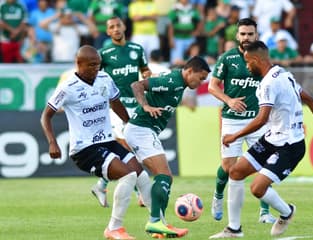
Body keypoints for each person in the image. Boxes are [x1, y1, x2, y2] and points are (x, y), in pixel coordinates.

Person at [210, 40, 313, 238]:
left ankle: (287, 212)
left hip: (290, 146)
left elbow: (261, 119)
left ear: (256, 60)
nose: (246, 66)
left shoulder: (268, 83)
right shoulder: (284, 73)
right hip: (271, 139)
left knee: (257, 188)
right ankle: (234, 229)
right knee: (235, 172)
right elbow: (309, 98)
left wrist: (234, 136)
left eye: (247, 62)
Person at [40, 45, 152, 240]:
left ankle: (157, 222)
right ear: (79, 64)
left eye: (98, 65)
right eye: (91, 65)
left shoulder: (104, 78)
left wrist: (129, 123)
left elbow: (115, 103)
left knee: (141, 174)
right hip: (84, 149)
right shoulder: (68, 87)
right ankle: (114, 229)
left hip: (107, 140)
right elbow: (45, 116)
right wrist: (52, 142)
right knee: (128, 176)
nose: (95, 69)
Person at [123, 56, 211, 238]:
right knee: (164, 176)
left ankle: (159, 224)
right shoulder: (172, 81)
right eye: (200, 78)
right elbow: (137, 85)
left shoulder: (179, 84)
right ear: (189, 71)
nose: (201, 82)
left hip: (146, 131)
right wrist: (145, 106)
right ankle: (155, 221)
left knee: (163, 177)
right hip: (141, 129)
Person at [208, 18, 275, 225]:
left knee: (263, 166)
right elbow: (212, 86)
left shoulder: (262, 58)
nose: (246, 38)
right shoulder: (227, 58)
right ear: (237, 36)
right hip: (232, 120)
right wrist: (229, 100)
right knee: (229, 168)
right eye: (243, 34)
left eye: (250, 34)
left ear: (257, 35)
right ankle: (218, 194)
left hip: (257, 121)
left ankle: (264, 212)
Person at [90, 16, 152, 208]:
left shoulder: (137, 49)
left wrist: (149, 78)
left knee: (129, 149)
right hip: (116, 108)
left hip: (136, 106)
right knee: (128, 147)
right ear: (107, 32)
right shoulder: (104, 53)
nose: (116, 29)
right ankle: (141, 193)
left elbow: (145, 71)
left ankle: (101, 185)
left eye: (118, 25)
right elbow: (95, 78)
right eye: (111, 27)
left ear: (124, 27)